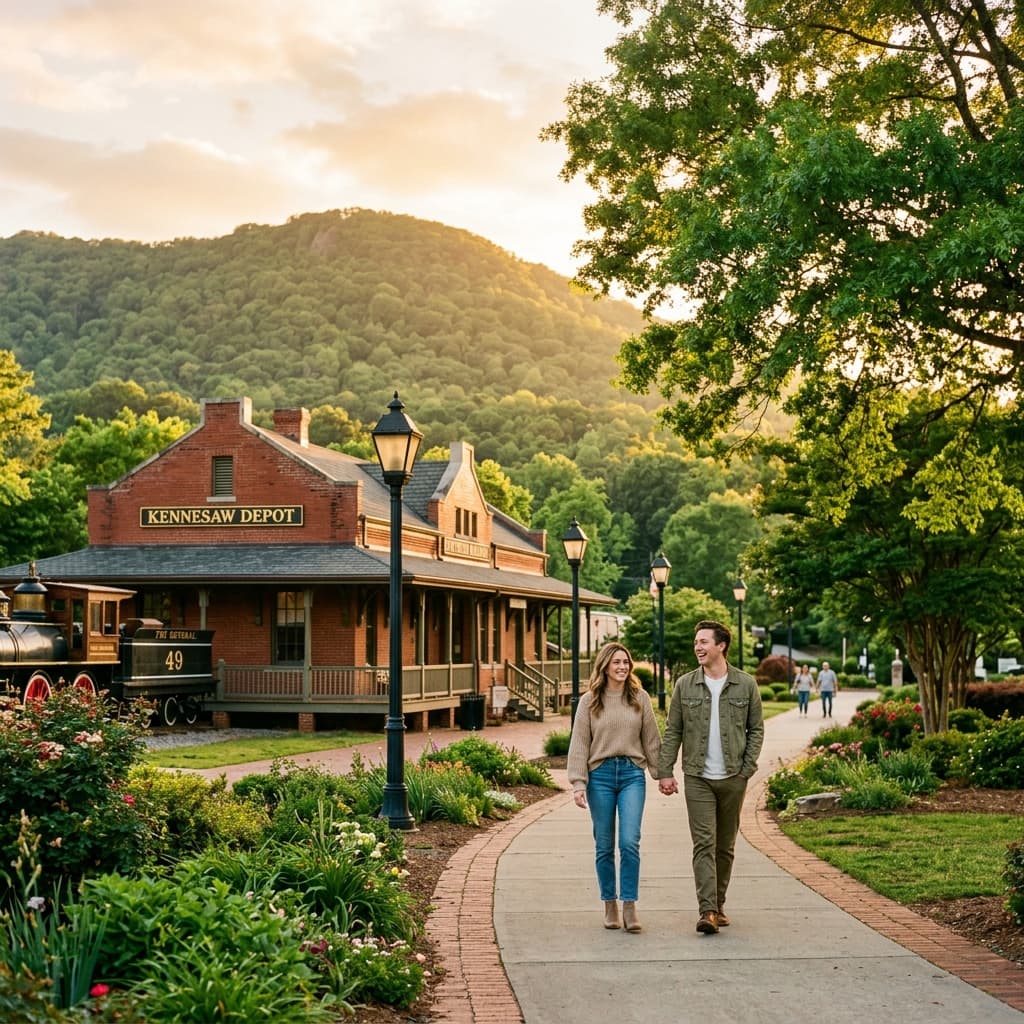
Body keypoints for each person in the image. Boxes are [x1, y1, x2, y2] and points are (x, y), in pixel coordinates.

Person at [657, 620, 764, 935]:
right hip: (697, 777)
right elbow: (673, 729)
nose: (698, 647)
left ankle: (719, 904)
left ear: (721, 645)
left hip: (734, 776)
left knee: (725, 845)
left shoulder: (745, 684)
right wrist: (665, 771)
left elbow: (756, 728)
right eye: (696, 643)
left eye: (704, 642)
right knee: (704, 843)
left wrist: (747, 768)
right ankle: (707, 911)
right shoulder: (684, 685)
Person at [567, 641, 662, 933]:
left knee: (630, 841)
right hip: (601, 777)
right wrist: (578, 783)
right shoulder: (589, 701)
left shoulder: (640, 698)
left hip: (633, 773)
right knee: (604, 845)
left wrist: (662, 774)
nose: (622, 667)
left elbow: (652, 739)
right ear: (605, 666)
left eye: (626, 662)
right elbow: (580, 743)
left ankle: (630, 905)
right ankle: (610, 903)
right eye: (616, 662)